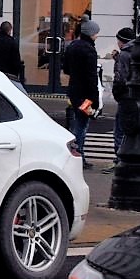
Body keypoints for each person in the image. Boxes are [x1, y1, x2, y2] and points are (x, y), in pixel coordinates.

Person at [61, 19, 101, 169]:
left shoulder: (72, 47)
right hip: (85, 94)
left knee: (78, 122)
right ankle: (77, 154)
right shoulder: (89, 51)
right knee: (82, 125)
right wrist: (95, 99)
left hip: (74, 91)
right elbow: (91, 77)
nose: (97, 36)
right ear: (90, 33)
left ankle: (75, 153)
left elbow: (66, 69)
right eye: (96, 33)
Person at [102, 26, 137, 172]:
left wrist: (117, 92)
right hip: (134, 96)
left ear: (122, 41)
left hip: (125, 96)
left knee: (119, 130)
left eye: (118, 40)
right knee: (129, 128)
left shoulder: (124, 55)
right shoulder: (136, 51)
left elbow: (121, 76)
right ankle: (128, 159)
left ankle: (120, 160)